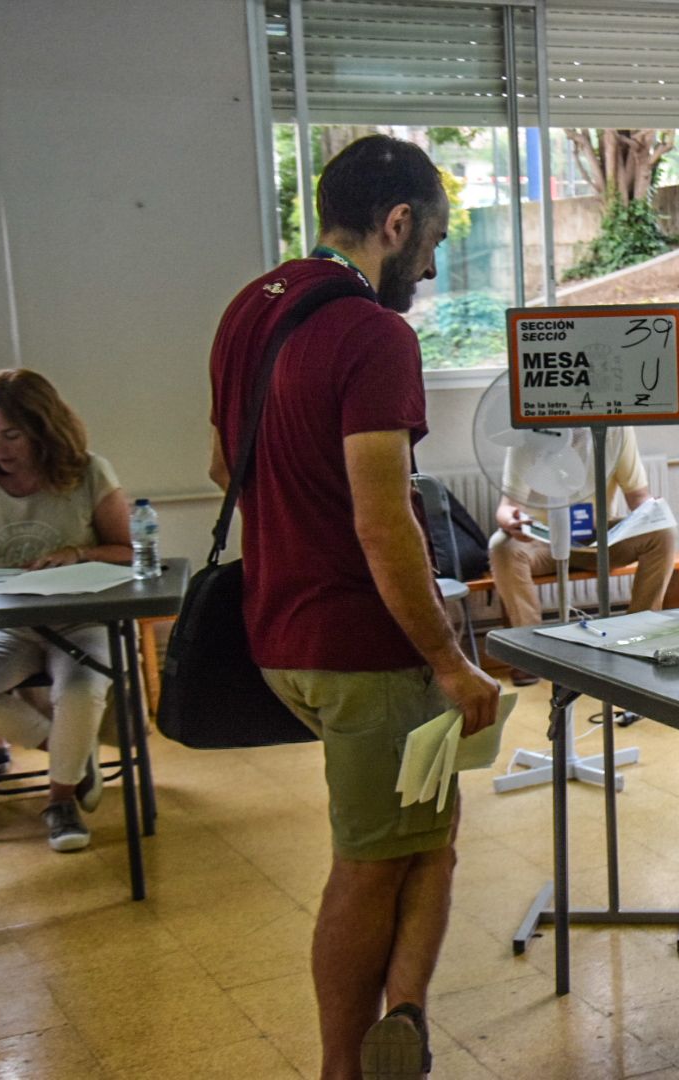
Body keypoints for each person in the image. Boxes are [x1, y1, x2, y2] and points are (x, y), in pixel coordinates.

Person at [209, 135, 500, 1080]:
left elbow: (224, 468)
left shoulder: (249, 311)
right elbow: (386, 524)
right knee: (374, 860)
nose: (434, 262)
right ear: (397, 222)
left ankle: (403, 1020)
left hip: (277, 634)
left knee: (425, 837)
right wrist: (452, 661)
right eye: (435, 239)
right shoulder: (376, 336)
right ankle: (348, 1066)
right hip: (363, 649)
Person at [0, 369, 132, 852]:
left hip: (82, 621)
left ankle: (61, 801)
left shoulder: (88, 472)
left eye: (11, 435)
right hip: (11, 624)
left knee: (81, 690)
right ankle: (71, 754)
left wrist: (78, 553)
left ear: (43, 428)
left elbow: (128, 550)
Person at [487, 425, 675, 685]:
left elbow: (638, 496)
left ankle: (637, 637)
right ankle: (531, 651)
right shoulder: (527, 432)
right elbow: (507, 508)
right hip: (543, 541)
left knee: (663, 534)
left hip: (598, 539)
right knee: (501, 546)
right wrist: (513, 522)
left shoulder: (616, 430)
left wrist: (652, 513)